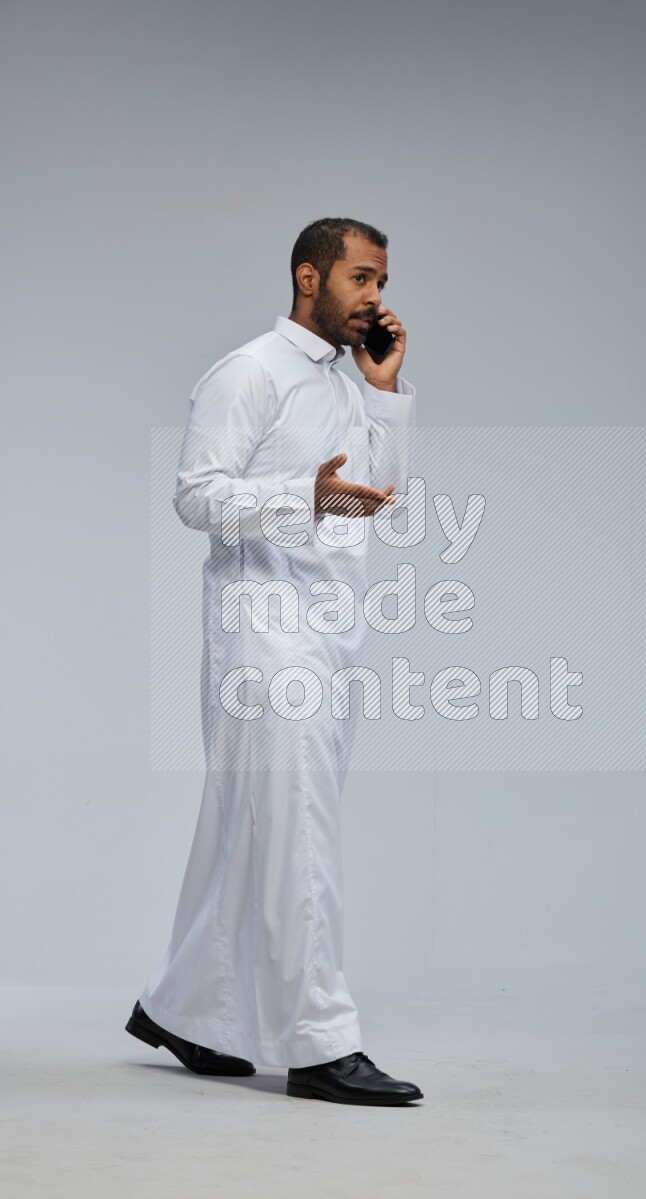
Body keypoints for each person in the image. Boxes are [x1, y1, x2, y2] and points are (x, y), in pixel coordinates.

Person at [126, 218, 422, 1105]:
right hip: (263, 630)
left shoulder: (344, 381)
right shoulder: (249, 372)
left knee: (256, 826)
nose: (375, 296)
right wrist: (305, 495)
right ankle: (320, 1040)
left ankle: (184, 1009)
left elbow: (375, 501)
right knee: (299, 835)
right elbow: (195, 495)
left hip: (329, 629)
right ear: (309, 276)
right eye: (361, 278)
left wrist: (387, 390)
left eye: (380, 280)